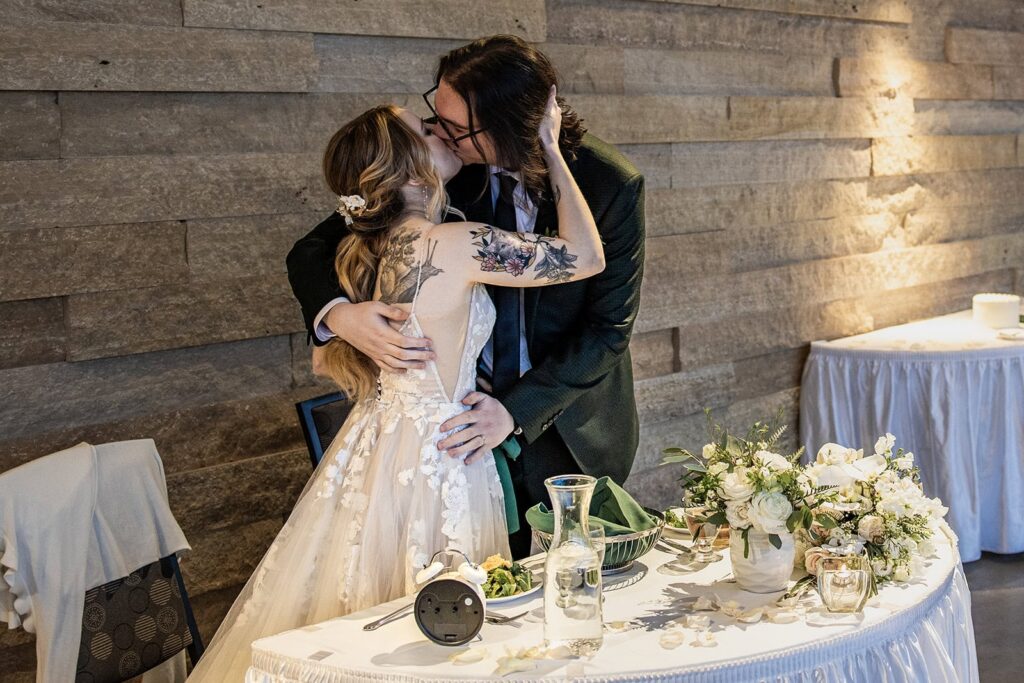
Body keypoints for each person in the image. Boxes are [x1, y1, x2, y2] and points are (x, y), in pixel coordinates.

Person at [187, 89, 604, 680]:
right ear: (407, 164)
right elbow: (585, 257)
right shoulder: (452, 244)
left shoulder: (368, 248)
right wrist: (550, 149)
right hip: (442, 458)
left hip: (383, 446)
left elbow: (327, 353)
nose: (441, 131)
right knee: (441, 636)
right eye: (427, 131)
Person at [288, 35, 645, 558]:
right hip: (451, 434)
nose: (441, 133)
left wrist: (513, 411)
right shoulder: (441, 168)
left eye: (455, 128)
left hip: (565, 429)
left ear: (504, 128)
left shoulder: (609, 183)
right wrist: (339, 316)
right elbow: (315, 246)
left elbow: (609, 327)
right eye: (436, 117)